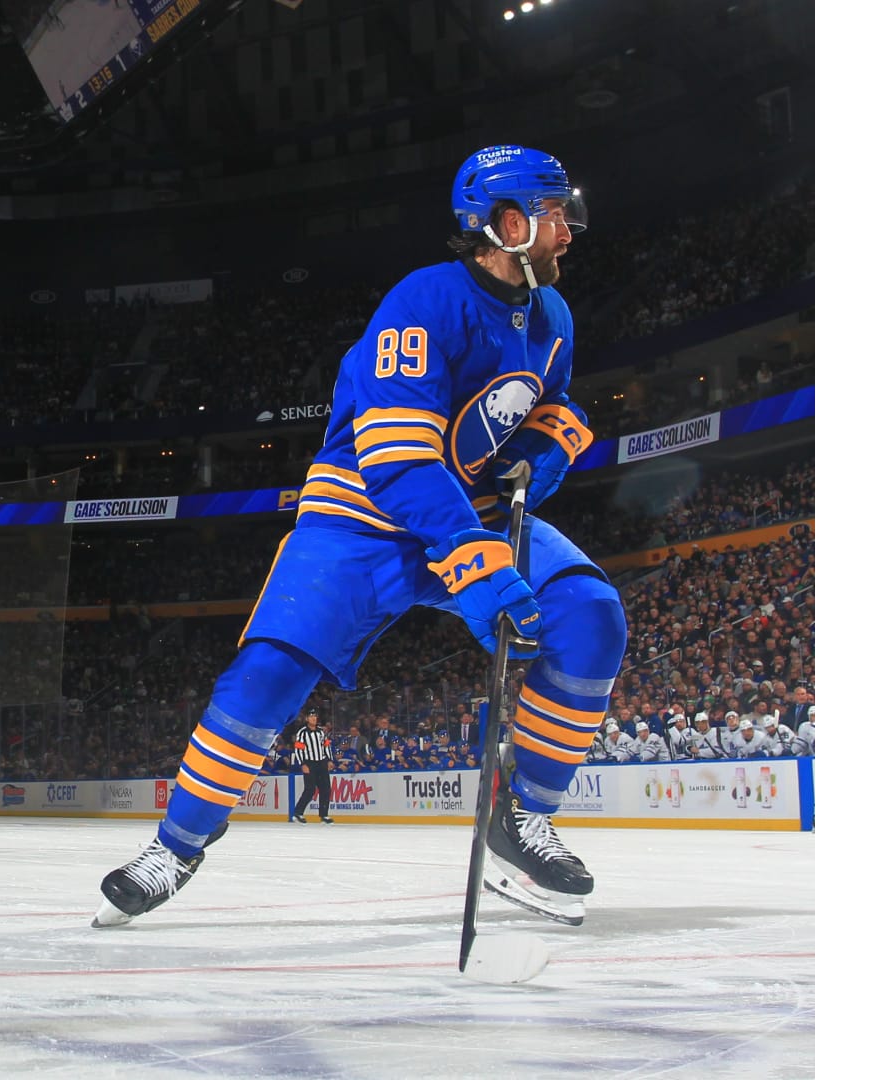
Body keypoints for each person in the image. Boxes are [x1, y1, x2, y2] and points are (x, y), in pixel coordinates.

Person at [95, 144, 619, 928]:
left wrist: (550, 440)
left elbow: (549, 399)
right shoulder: (423, 300)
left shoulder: (554, 318)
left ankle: (522, 818)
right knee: (268, 673)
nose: (568, 231)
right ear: (507, 224)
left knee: (590, 614)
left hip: (469, 510)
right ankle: (176, 847)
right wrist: (475, 560)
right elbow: (398, 458)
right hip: (360, 517)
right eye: (552, 214)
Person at [289, 710, 335, 823]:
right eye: (311, 716)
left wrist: (329, 760)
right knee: (310, 789)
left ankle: (324, 815)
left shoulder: (321, 732)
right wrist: (303, 763)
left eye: (315, 716)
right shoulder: (302, 732)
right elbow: (298, 750)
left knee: (326, 789)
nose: (314, 718)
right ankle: (298, 813)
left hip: (321, 762)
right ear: (306, 719)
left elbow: (326, 746)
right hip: (309, 763)